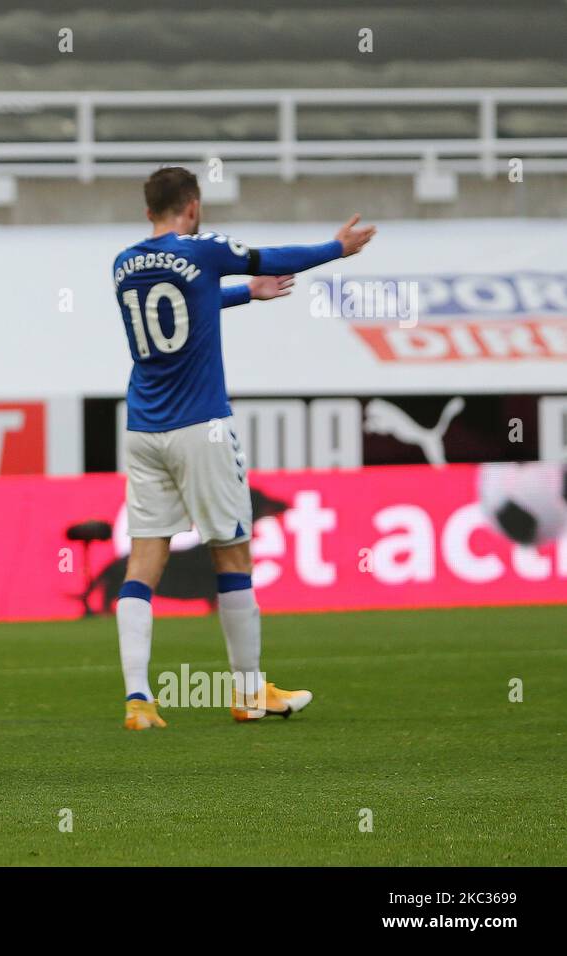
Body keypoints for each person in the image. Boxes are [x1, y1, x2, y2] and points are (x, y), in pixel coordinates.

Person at [111, 166, 375, 730]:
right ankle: (251, 692)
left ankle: (138, 700)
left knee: (145, 556)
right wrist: (336, 248)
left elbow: (178, 305)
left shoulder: (124, 263)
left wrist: (242, 296)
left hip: (142, 428)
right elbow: (272, 257)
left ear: (147, 210)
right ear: (193, 205)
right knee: (230, 553)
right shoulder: (203, 250)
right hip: (201, 426)